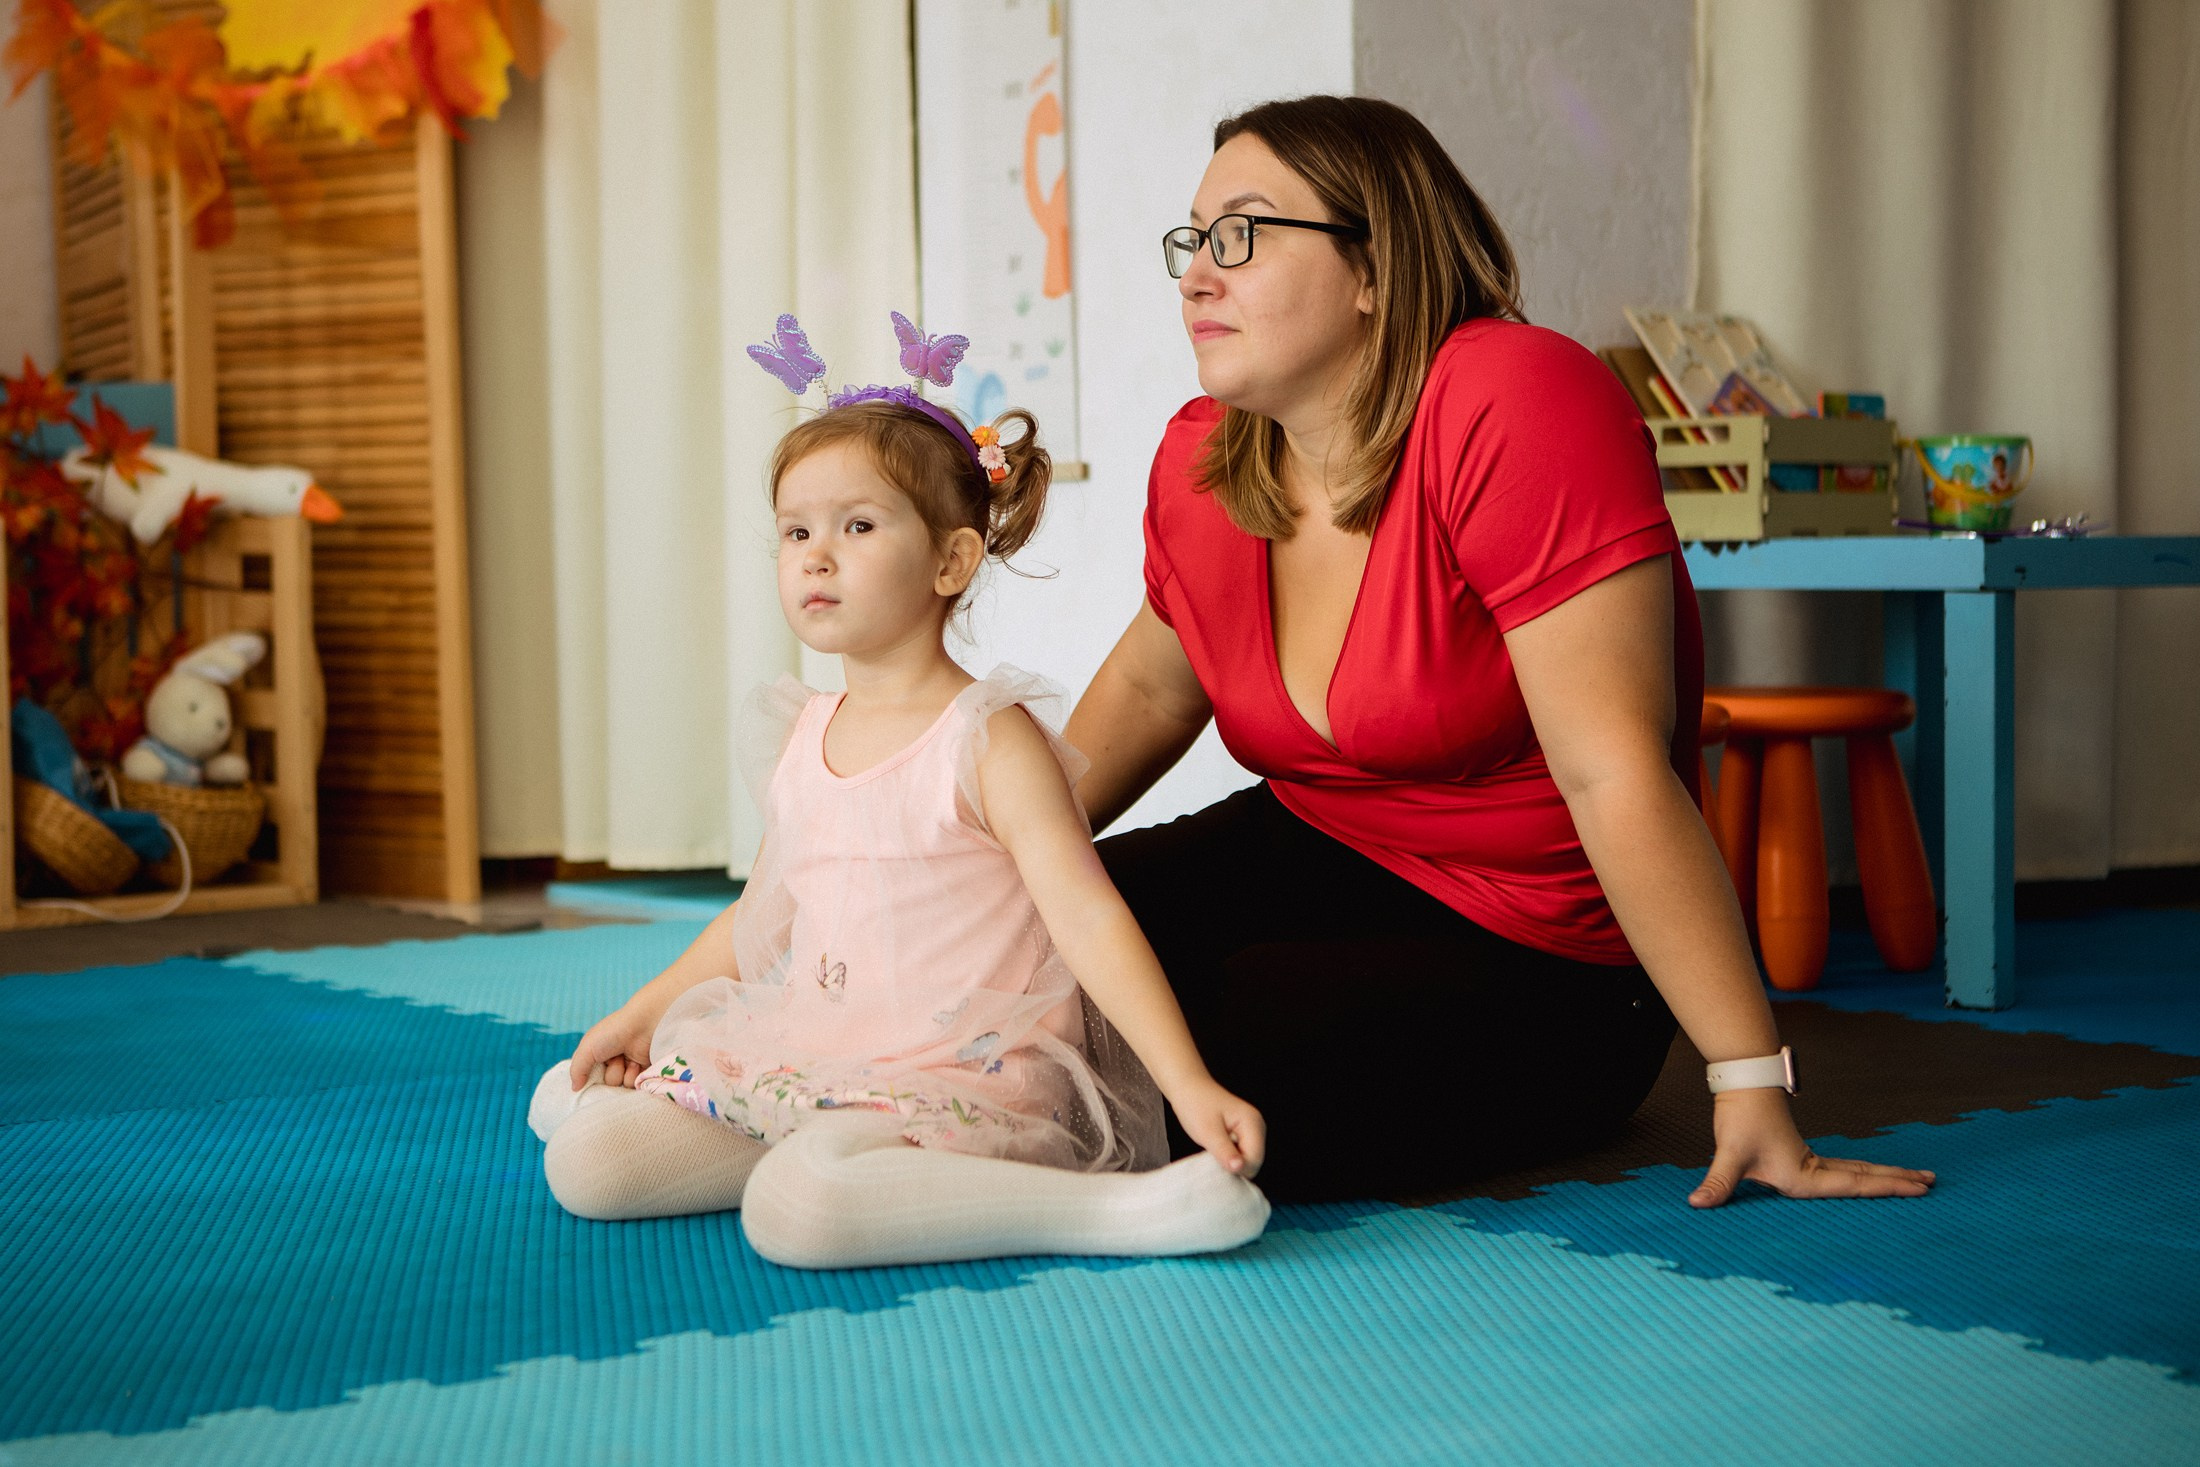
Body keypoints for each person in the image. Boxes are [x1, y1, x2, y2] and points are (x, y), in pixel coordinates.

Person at [1066, 95, 1936, 1206]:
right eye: (1192, 240)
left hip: (1547, 949)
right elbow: (1148, 682)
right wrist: (941, 862)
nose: (1195, 275)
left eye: (1240, 233)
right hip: (1321, 841)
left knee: (1187, 1065)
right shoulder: (1207, 459)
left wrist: (1747, 1079)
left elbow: (1610, 765)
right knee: (1018, 952)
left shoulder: (1513, 398)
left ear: (1373, 264)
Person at [528, 319, 1271, 1268]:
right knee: (590, 1160)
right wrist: (641, 1014)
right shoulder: (802, 733)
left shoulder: (987, 737)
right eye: (797, 530)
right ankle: (819, 1149)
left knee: (799, 1209)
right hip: (820, 1055)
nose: (816, 555)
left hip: (964, 1079)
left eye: (858, 525)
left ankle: (1123, 1214)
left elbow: (1087, 916)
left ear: (951, 562)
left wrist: (1188, 1082)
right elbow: (759, 919)